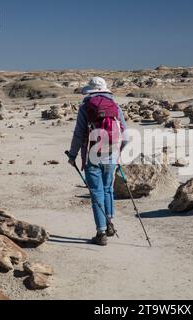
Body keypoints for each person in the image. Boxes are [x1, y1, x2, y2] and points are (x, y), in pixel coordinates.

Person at [67, 77, 128, 246]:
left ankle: (101, 233)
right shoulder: (115, 107)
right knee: (108, 189)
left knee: (96, 193)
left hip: (92, 156)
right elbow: (126, 137)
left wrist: (72, 156)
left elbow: (78, 135)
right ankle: (109, 224)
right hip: (111, 156)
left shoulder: (85, 108)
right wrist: (117, 153)